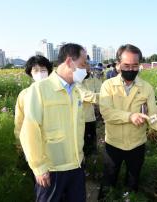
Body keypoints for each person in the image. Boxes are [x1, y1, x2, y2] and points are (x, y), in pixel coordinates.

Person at [20, 43, 98, 202]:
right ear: (69, 62)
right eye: (83, 64)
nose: (87, 69)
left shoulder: (76, 90)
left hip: (76, 165)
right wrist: (39, 167)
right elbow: (29, 130)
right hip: (51, 169)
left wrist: (81, 158)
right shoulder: (40, 89)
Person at [98, 44, 157, 199]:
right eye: (126, 65)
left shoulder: (146, 88)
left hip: (136, 144)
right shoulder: (108, 85)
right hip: (113, 143)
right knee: (108, 181)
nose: (131, 69)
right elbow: (106, 113)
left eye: (135, 66)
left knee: (133, 183)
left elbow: (153, 115)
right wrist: (130, 116)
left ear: (139, 65)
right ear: (118, 65)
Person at [14, 55, 53, 146]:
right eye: (36, 70)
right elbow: (19, 120)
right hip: (33, 139)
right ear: (30, 73)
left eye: (43, 70)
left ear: (48, 72)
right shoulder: (24, 94)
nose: (40, 73)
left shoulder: (57, 91)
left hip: (54, 139)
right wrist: (19, 140)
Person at [82, 58, 102, 157]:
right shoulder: (74, 81)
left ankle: (93, 161)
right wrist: (110, 96)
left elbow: (101, 91)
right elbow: (87, 96)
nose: (87, 66)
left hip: (90, 117)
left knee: (91, 141)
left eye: (88, 64)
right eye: (84, 64)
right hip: (78, 119)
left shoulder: (94, 79)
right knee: (81, 144)